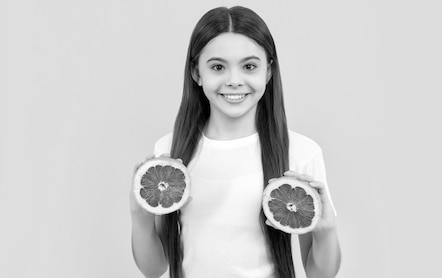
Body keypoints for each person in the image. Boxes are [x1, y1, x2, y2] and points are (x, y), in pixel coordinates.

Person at [130, 6, 341, 278]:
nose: (233, 81)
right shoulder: (169, 152)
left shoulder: (301, 153)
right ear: (196, 73)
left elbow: (321, 274)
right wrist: (139, 215)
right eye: (218, 67)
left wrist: (327, 229)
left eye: (249, 66)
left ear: (268, 72)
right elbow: (154, 268)